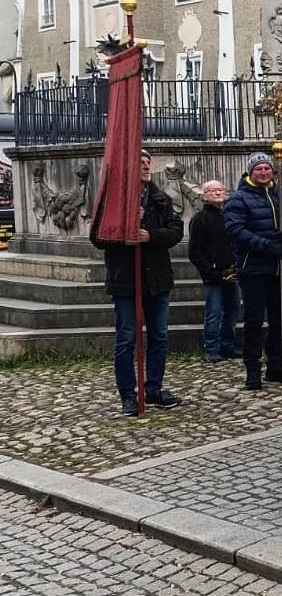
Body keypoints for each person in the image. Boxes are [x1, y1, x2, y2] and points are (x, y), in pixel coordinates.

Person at [91, 151, 184, 415]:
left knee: (159, 335)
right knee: (127, 338)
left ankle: (153, 388)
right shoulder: (112, 201)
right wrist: (126, 226)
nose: (145, 167)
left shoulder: (160, 199)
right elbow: (98, 237)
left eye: (147, 163)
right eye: (140, 163)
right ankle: (128, 394)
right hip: (126, 279)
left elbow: (175, 231)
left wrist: (150, 235)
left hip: (157, 279)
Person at [224, 152, 282, 390]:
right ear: (251, 172)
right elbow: (235, 230)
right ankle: (252, 369)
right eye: (259, 169)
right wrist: (266, 245)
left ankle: (276, 365)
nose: (264, 172)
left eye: (267, 168)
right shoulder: (239, 198)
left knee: (279, 319)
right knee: (254, 320)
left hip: (280, 266)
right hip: (254, 267)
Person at [188, 179, 239, 363]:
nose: (218, 193)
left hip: (232, 270)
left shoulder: (231, 215)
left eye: (220, 190)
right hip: (213, 273)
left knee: (232, 309)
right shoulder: (199, 218)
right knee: (214, 311)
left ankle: (228, 345)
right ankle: (212, 348)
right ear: (204, 196)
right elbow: (195, 251)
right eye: (212, 190)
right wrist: (209, 271)